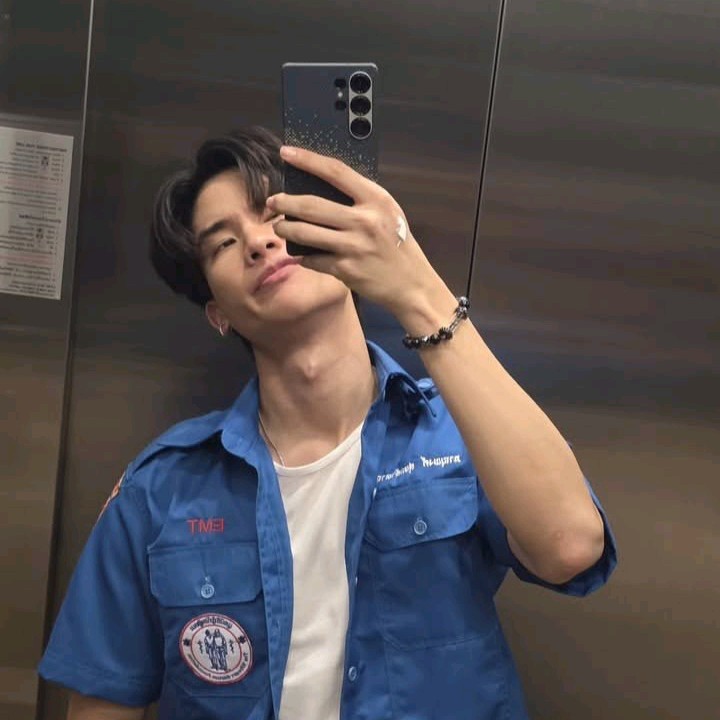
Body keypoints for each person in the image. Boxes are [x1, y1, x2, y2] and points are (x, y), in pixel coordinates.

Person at [39, 126, 617, 720]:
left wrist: (416, 290)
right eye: (223, 243)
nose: (259, 242)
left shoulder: (462, 432)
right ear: (217, 314)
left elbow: (570, 546)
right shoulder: (161, 489)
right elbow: (101, 706)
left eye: (275, 213)